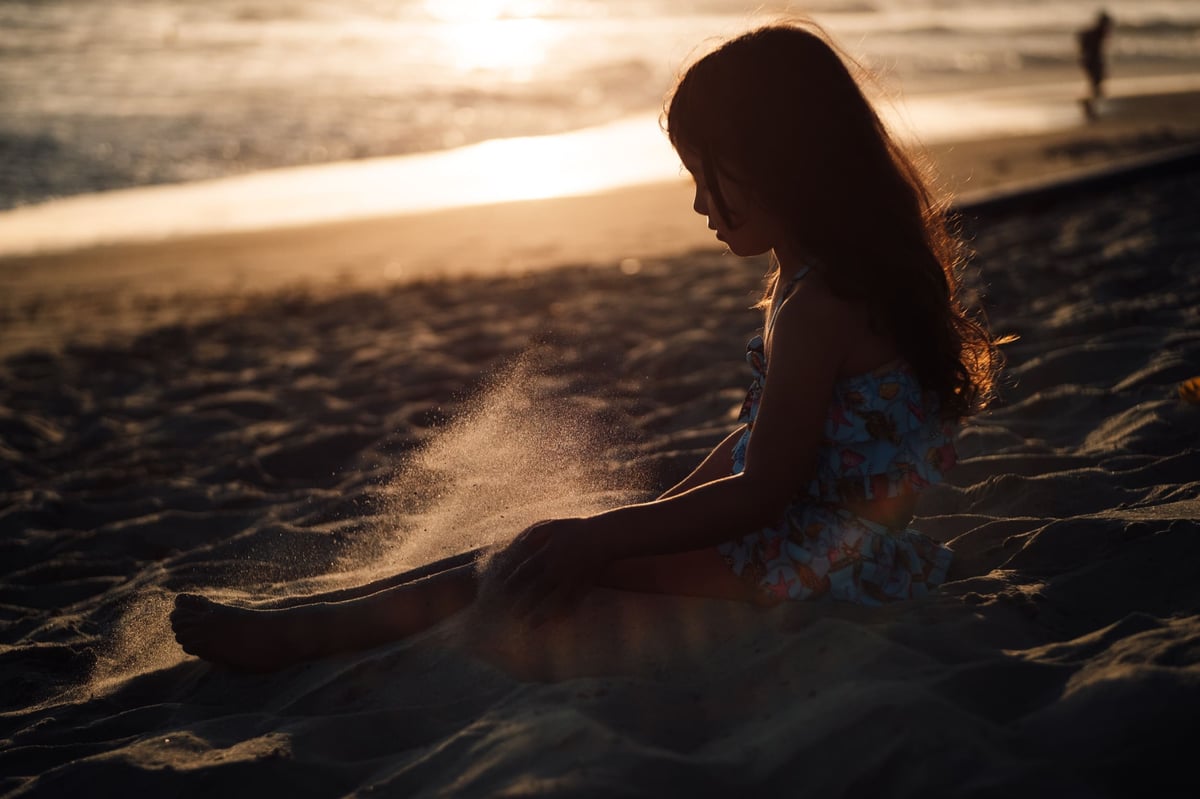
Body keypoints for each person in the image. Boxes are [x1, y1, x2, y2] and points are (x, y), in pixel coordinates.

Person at [171, 20, 1001, 672]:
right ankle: (305, 616)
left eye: (709, 173)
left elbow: (763, 491)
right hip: (815, 545)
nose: (699, 203)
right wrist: (636, 519)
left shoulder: (821, 302)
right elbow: (760, 441)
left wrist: (607, 537)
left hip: (811, 562)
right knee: (531, 545)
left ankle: (298, 636)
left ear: (777, 163)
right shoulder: (816, 276)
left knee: (511, 562)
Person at [1078, 10, 1114, 119]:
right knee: (1097, 87)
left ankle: (1090, 107)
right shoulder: (1098, 33)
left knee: (1096, 87)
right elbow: (1095, 51)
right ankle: (1088, 105)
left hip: (1090, 61)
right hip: (1093, 61)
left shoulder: (1095, 33)